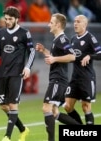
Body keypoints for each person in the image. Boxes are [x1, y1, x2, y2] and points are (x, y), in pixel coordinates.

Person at [0, 6, 35, 141]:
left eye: (10, 19)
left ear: (17, 19)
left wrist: (28, 67)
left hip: (16, 73)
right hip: (3, 73)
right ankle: (23, 129)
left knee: (13, 105)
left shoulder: (24, 33)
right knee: (3, 106)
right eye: (6, 19)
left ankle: (7, 136)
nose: (7, 21)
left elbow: (32, 51)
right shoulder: (1, 33)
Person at [35, 13, 80, 141]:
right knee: (54, 112)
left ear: (58, 25)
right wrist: (45, 51)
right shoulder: (57, 40)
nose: (49, 24)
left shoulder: (62, 39)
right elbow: (55, 58)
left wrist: (54, 58)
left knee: (46, 107)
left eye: (51, 22)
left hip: (58, 80)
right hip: (58, 80)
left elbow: (72, 56)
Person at [63, 15, 101, 125]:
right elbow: (71, 57)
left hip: (87, 78)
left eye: (78, 22)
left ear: (85, 24)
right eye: (74, 21)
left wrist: (90, 56)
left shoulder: (90, 38)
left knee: (85, 107)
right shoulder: (73, 39)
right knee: (67, 106)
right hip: (75, 78)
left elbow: (100, 54)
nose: (75, 24)